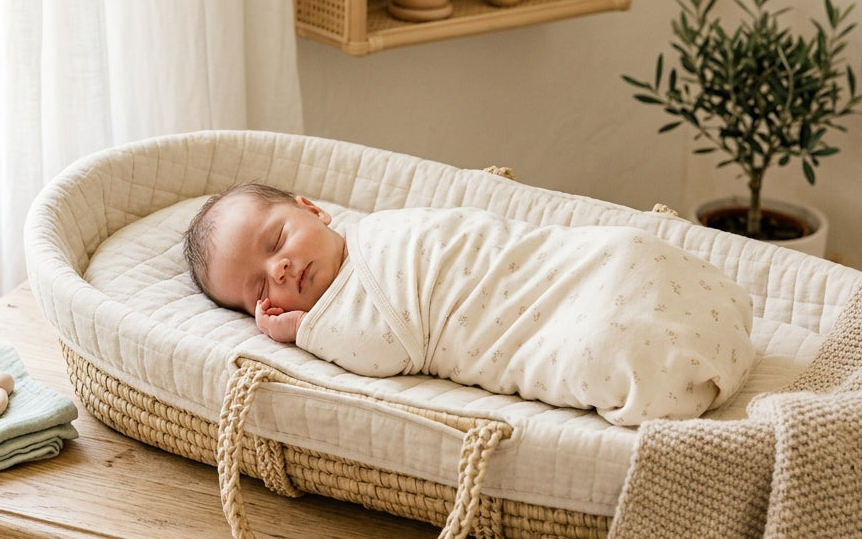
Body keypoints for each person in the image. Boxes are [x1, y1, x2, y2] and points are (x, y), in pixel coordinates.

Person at [183, 182, 755, 425]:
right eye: (261, 291)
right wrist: (304, 333)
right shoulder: (346, 315)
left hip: (560, 264)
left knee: (623, 249)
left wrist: (300, 328)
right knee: (596, 344)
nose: (279, 270)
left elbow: (484, 241)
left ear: (313, 208)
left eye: (277, 241)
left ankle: (691, 306)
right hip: (528, 326)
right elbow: (387, 347)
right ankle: (671, 364)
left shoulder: (384, 232)